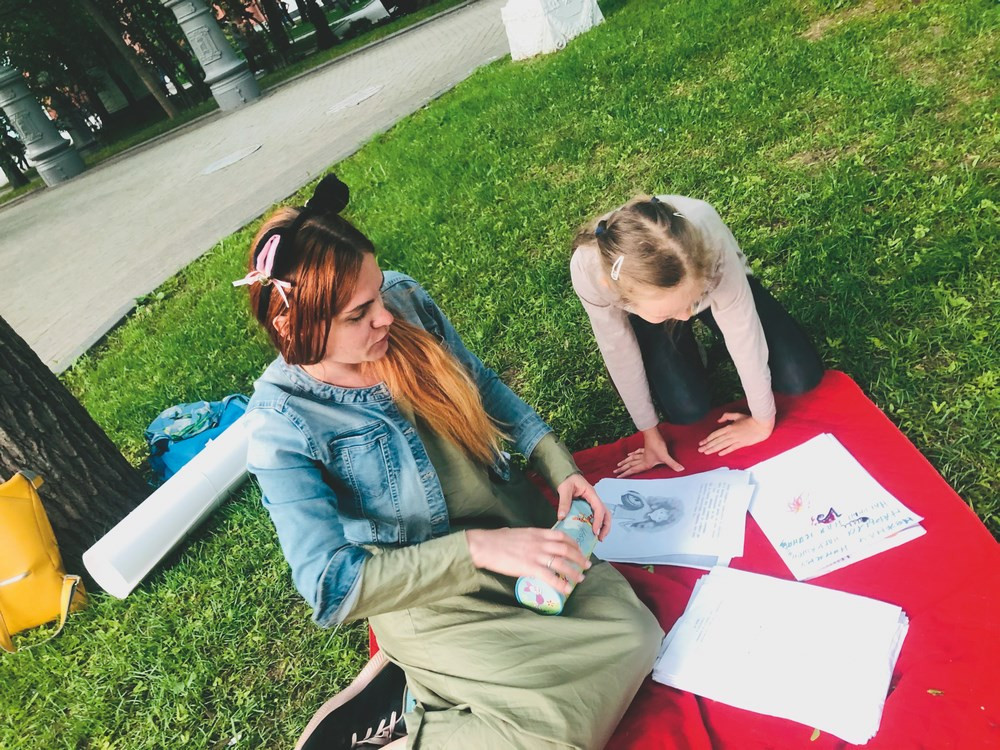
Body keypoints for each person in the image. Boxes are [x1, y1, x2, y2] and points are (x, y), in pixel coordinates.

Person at [238, 175, 663, 749]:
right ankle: (409, 721)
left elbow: (484, 387)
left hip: (515, 535)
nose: (385, 316)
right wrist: (479, 550)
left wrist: (559, 466)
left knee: (636, 636)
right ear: (294, 327)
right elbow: (329, 587)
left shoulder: (405, 303)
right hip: (428, 592)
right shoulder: (281, 424)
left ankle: (420, 686)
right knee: (550, 739)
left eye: (377, 293)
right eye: (360, 313)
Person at [570, 194, 824, 477]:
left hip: (714, 287)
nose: (685, 316)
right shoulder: (589, 272)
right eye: (671, 312)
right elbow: (619, 351)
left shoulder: (706, 237)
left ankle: (681, 308)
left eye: (689, 305)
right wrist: (649, 434)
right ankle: (678, 338)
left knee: (800, 375)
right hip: (650, 307)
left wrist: (762, 421)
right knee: (686, 411)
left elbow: (743, 330)